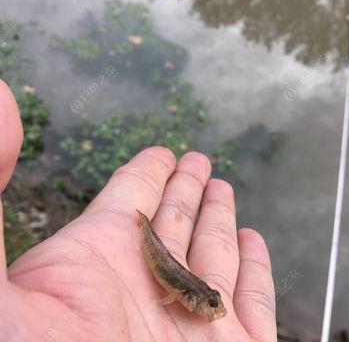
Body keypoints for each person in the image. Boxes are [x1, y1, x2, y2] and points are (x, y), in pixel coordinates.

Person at [0, 79, 277, 341]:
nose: (214, 310)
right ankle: (142, 223)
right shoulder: (186, 292)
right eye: (211, 304)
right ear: (192, 298)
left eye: (212, 303)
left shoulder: (189, 292)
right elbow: (171, 292)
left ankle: (143, 223)